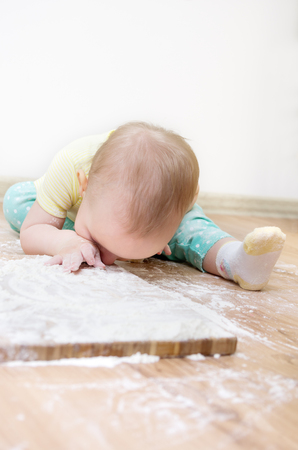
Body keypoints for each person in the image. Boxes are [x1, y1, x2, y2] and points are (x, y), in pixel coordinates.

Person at [3, 122, 286, 290]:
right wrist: (64, 241)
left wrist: (167, 233)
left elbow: (178, 219)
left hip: (163, 213)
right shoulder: (71, 165)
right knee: (17, 200)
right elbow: (32, 231)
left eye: (130, 254)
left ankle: (235, 260)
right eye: (98, 241)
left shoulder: (175, 194)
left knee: (191, 231)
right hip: (61, 202)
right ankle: (105, 239)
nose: (109, 262)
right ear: (84, 183)